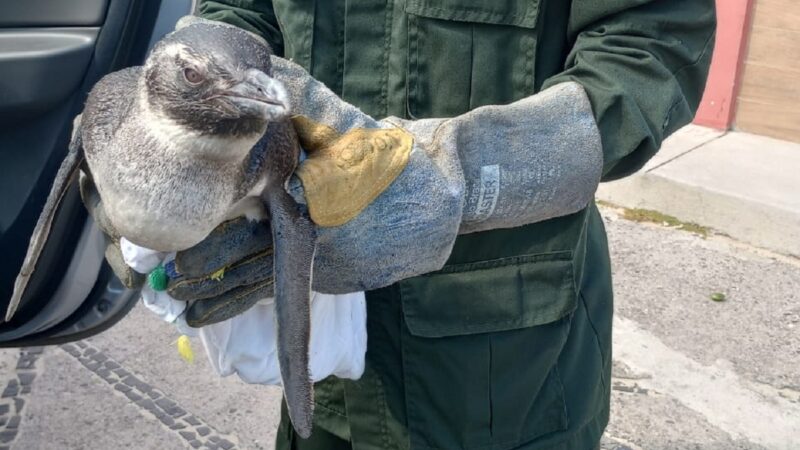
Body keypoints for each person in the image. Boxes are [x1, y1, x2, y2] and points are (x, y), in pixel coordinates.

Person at [93, 1, 716, 448]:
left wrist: (452, 181)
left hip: (507, 377)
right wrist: (170, 141)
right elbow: (235, 14)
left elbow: (649, 56)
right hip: (331, 384)